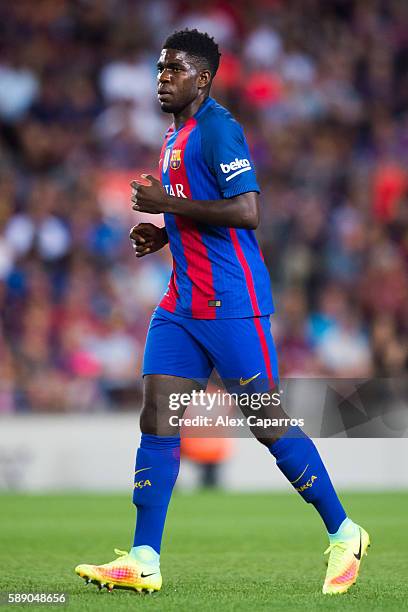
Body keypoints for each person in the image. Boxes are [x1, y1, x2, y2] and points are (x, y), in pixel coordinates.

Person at [75, 29, 369, 596]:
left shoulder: (217, 129)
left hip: (232, 305)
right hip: (182, 303)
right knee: (158, 420)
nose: (162, 78)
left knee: (266, 424)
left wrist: (166, 205)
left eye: (174, 70)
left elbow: (247, 210)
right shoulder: (175, 132)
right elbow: (199, 215)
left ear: (202, 78)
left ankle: (344, 532)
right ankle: (144, 557)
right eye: (160, 69)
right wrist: (161, 234)